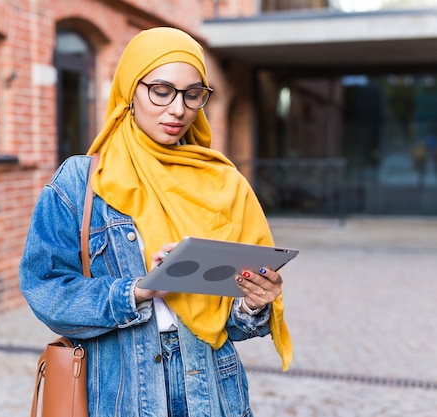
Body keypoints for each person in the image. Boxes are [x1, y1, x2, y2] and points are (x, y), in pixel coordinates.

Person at [20, 26, 292, 417]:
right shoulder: (81, 182)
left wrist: (254, 304)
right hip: (119, 391)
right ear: (131, 89)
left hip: (212, 389)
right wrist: (136, 291)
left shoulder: (223, 182)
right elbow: (44, 288)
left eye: (193, 94)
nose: (178, 109)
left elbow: (231, 325)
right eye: (161, 91)